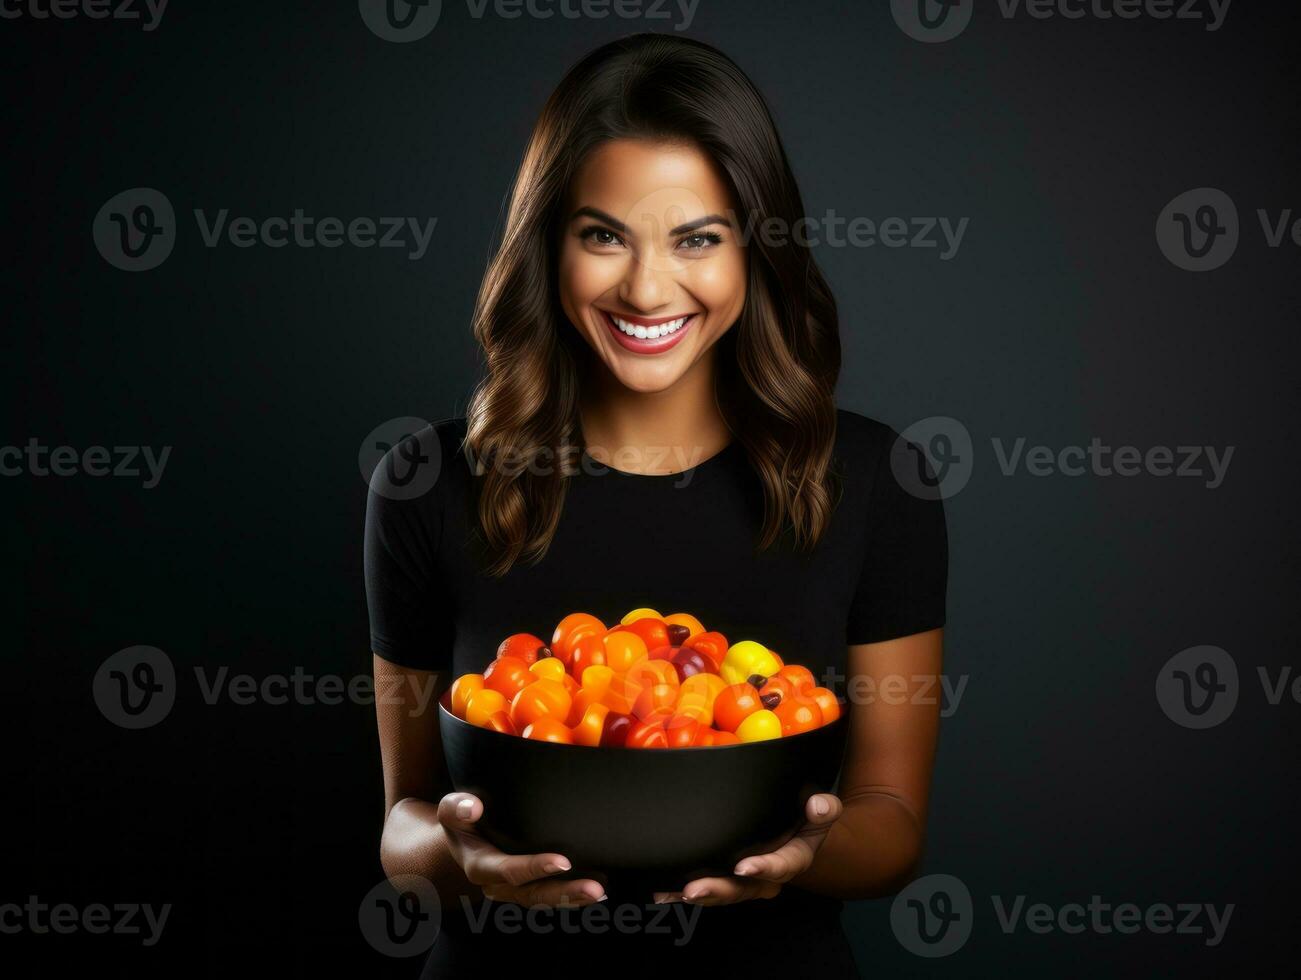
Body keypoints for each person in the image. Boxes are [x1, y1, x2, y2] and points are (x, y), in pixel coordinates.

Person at [365, 33, 948, 977]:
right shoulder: (426, 483)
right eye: (603, 235)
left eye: (697, 238)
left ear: (755, 250)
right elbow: (403, 829)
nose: (645, 286)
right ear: (547, 247)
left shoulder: (878, 480)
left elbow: (893, 826)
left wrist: (803, 857)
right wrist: (459, 857)